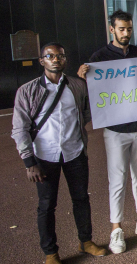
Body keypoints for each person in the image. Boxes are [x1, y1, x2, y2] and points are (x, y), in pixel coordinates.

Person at [77, 10, 137, 254]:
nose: (126, 33)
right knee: (117, 180)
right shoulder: (99, 57)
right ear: (112, 30)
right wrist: (83, 78)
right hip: (116, 130)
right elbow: (94, 93)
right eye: (121, 29)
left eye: (128, 29)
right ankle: (116, 229)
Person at [12, 43, 107, 264]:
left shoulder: (77, 85)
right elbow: (20, 129)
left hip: (75, 152)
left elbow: (85, 112)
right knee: (46, 205)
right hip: (44, 157)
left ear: (65, 60)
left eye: (60, 56)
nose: (56, 59)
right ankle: (50, 252)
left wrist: (75, 133)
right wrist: (29, 162)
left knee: (81, 198)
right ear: (42, 60)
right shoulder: (27, 91)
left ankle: (86, 241)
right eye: (50, 56)